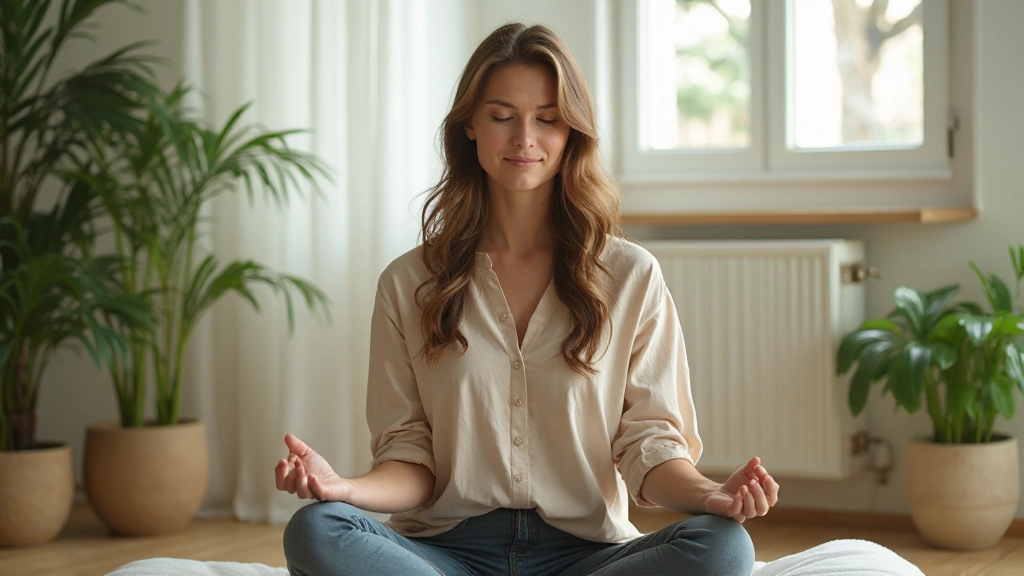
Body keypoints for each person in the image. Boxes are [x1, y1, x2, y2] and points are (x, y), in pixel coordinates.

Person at [275, 22, 779, 576]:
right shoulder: (408, 282)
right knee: (318, 529)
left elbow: (651, 446)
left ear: (573, 132)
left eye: (547, 118)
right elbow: (410, 458)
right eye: (502, 116)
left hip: (586, 554)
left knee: (723, 546)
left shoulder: (630, 275)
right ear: (469, 124)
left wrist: (712, 497)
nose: (524, 140)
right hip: (446, 553)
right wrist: (342, 487)